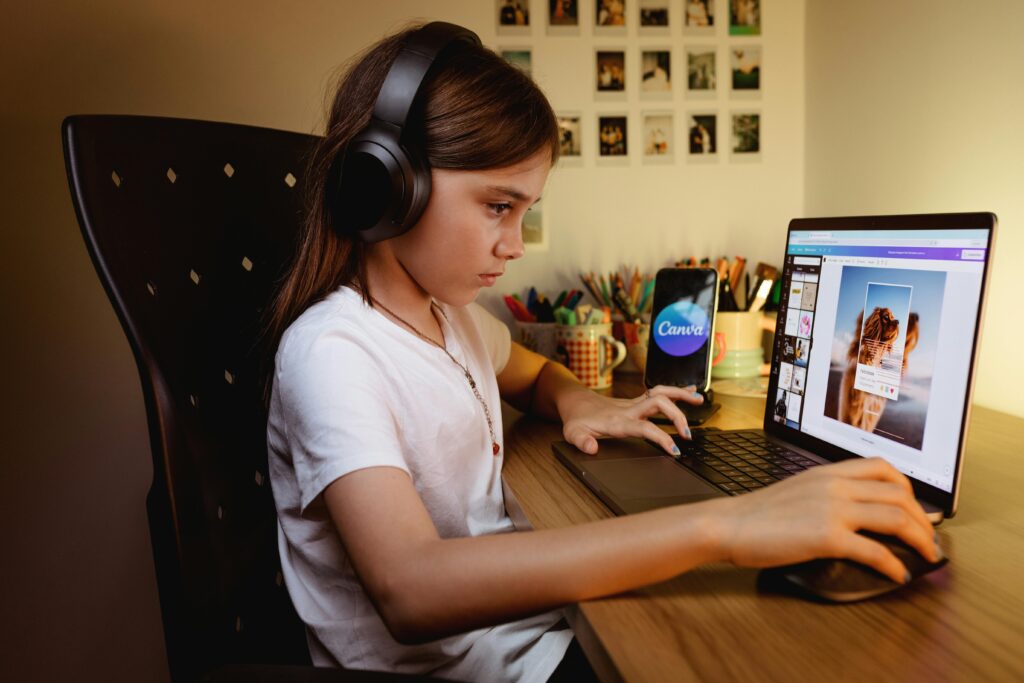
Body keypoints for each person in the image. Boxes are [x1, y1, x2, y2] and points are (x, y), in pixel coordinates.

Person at [262, 21, 941, 683]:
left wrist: (582, 402)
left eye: (524, 211)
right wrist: (727, 523)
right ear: (389, 186)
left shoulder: (451, 316)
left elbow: (532, 375)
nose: (515, 244)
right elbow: (411, 589)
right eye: (498, 206)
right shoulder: (333, 353)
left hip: (526, 633)